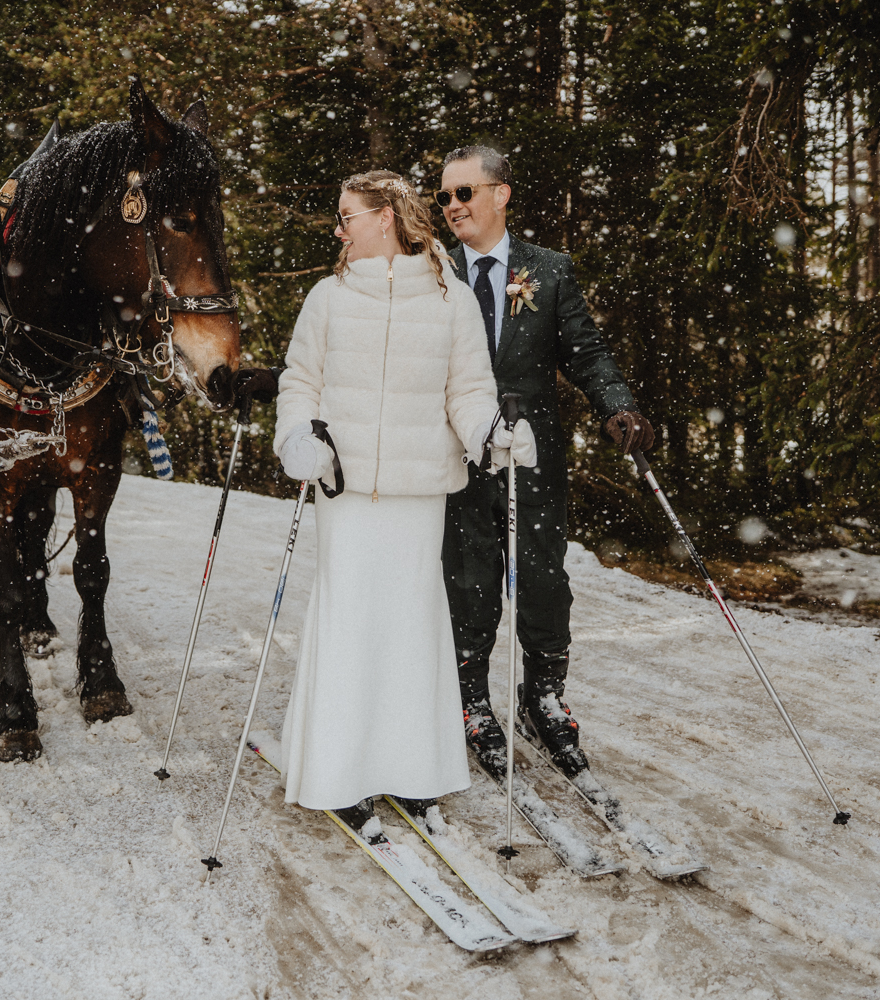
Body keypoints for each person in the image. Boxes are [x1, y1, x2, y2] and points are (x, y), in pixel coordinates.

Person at [271, 169, 526, 829]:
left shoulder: (450, 301)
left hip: (418, 492)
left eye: (347, 214)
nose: (338, 227)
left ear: (385, 217)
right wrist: (298, 436)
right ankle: (338, 771)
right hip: (346, 489)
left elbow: (468, 392)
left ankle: (413, 773)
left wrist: (491, 434)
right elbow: (301, 380)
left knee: (412, 631)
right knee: (349, 624)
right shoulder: (327, 297)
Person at [437, 145, 656, 780]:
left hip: (534, 454)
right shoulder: (435, 271)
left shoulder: (549, 271)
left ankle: (546, 695)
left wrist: (618, 405)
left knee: (541, 575)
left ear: (500, 194)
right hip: (459, 452)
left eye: (464, 193)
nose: (452, 206)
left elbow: (586, 352)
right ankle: (472, 699)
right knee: (467, 576)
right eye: (445, 197)